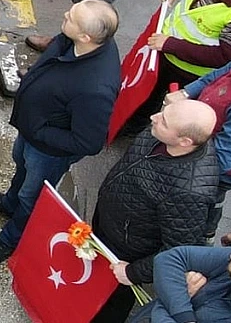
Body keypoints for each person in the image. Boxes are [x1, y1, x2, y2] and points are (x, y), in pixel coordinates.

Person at [0, 0, 120, 264]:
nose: (65, 15)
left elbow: (89, 141)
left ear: (86, 36)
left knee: (32, 196)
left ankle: (9, 239)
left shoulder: (95, 89)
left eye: (71, 18)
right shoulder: (77, 41)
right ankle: (9, 203)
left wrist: (40, 132)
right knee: (21, 169)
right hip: (31, 131)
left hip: (48, 151)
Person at [90, 99, 221, 323]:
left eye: (164, 120)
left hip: (126, 254)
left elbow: (177, 251)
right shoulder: (159, 132)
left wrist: (133, 273)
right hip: (108, 227)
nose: (154, 117)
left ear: (184, 141)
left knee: (110, 304)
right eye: (163, 112)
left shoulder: (190, 193)